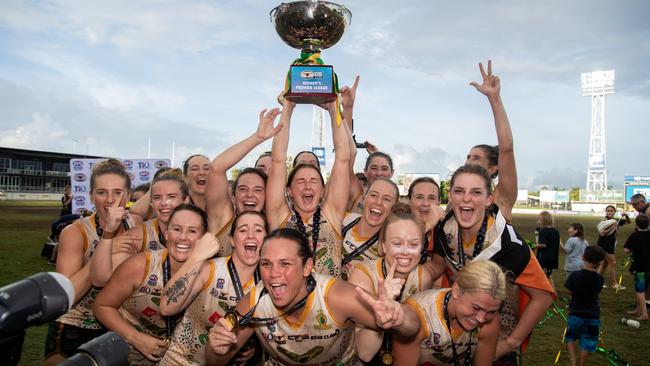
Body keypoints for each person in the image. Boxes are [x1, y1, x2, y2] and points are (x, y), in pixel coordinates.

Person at [205, 228, 420, 365]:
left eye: (285, 264)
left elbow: (412, 326)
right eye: (266, 264)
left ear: (307, 267)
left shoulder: (335, 296)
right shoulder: (254, 303)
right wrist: (217, 348)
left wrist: (399, 316)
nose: (274, 274)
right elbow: (214, 360)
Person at [432, 164, 554, 362]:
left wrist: (510, 343)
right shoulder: (444, 229)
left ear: (489, 199)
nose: (466, 198)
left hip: (496, 339)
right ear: (451, 195)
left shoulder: (506, 242)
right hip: (454, 334)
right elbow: (436, 267)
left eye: (476, 192)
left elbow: (543, 297)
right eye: (459, 191)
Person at [44, 159, 142, 363]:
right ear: (90, 196)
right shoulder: (75, 232)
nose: (109, 200)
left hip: (116, 325)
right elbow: (66, 297)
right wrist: (105, 250)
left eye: (117, 192)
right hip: (75, 327)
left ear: (129, 195)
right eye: (101, 192)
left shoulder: (136, 224)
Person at [93, 204, 215, 364]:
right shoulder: (140, 265)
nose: (182, 237)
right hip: (129, 354)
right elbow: (102, 306)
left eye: (192, 231)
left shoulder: (213, 273)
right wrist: (136, 338)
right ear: (166, 234)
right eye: (176, 229)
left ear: (204, 238)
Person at [158, 211, 268, 365]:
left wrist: (255, 345)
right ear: (232, 240)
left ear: (267, 240)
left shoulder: (267, 285)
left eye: (258, 230)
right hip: (178, 360)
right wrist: (197, 256)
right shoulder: (210, 269)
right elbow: (166, 308)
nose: (250, 235)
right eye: (243, 230)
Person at [266, 97, 352, 278]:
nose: (307, 185)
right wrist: (288, 108)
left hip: (328, 301)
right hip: (287, 300)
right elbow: (278, 159)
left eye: (314, 180)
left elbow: (343, 157)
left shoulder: (332, 214)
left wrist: (333, 108)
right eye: (300, 181)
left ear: (322, 190)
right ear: (289, 190)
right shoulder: (279, 217)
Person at [347, 206, 433, 363]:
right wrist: (382, 307)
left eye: (414, 244)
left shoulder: (424, 278)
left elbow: (415, 334)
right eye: (397, 244)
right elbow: (365, 353)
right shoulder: (362, 275)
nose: (405, 252)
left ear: (421, 248)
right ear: (384, 246)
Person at [393, 260, 506, 366]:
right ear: (456, 290)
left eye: (491, 311)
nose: (481, 319)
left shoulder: (490, 319)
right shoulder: (418, 316)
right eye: (476, 308)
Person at [90, 168, 190, 287]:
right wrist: (108, 233)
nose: (164, 203)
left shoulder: (201, 231)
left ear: (186, 200)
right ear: (151, 203)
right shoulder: (139, 235)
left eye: (171, 197)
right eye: (157, 197)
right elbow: (100, 280)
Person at [205, 108, 281, 257]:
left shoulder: (273, 224)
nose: (250, 195)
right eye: (243, 189)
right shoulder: (223, 218)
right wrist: (258, 137)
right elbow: (216, 168)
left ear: (267, 197)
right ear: (233, 196)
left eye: (258, 190)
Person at [463, 60, 517, 223]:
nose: (468, 161)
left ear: (493, 169)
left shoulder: (501, 198)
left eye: (476, 158)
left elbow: (506, 148)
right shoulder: (457, 200)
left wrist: (494, 98)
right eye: (468, 156)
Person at [341, 178, 400, 277]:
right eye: (373, 195)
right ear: (364, 198)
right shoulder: (343, 219)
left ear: (394, 208)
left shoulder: (389, 247)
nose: (378, 202)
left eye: (387, 199)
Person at [564, 246, 606, 366]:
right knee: (587, 341)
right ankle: (581, 364)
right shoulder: (599, 279)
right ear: (600, 261)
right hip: (593, 316)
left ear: (583, 257)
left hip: (576, 313)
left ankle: (573, 361)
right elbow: (597, 292)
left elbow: (570, 290)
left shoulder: (575, 275)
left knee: (570, 337)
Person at [596, 205, 630, 290]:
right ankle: (615, 284)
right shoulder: (604, 221)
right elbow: (602, 233)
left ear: (614, 212)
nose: (610, 212)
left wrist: (626, 215)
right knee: (612, 263)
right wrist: (613, 227)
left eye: (611, 211)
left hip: (610, 244)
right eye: (608, 211)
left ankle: (597, 282)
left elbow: (628, 222)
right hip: (604, 244)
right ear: (606, 212)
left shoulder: (615, 220)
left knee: (604, 264)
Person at [623, 214, 650, 320]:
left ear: (636, 224)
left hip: (640, 267)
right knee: (644, 287)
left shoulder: (634, 235)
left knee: (640, 290)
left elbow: (626, 250)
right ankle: (638, 309)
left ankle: (644, 314)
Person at [535, 211, 560, 289]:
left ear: (544, 220)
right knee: (549, 276)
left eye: (539, 219)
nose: (538, 221)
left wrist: (532, 246)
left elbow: (543, 245)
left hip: (544, 258)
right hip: (553, 258)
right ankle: (553, 293)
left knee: (541, 277)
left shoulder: (543, 231)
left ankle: (546, 293)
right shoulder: (556, 231)